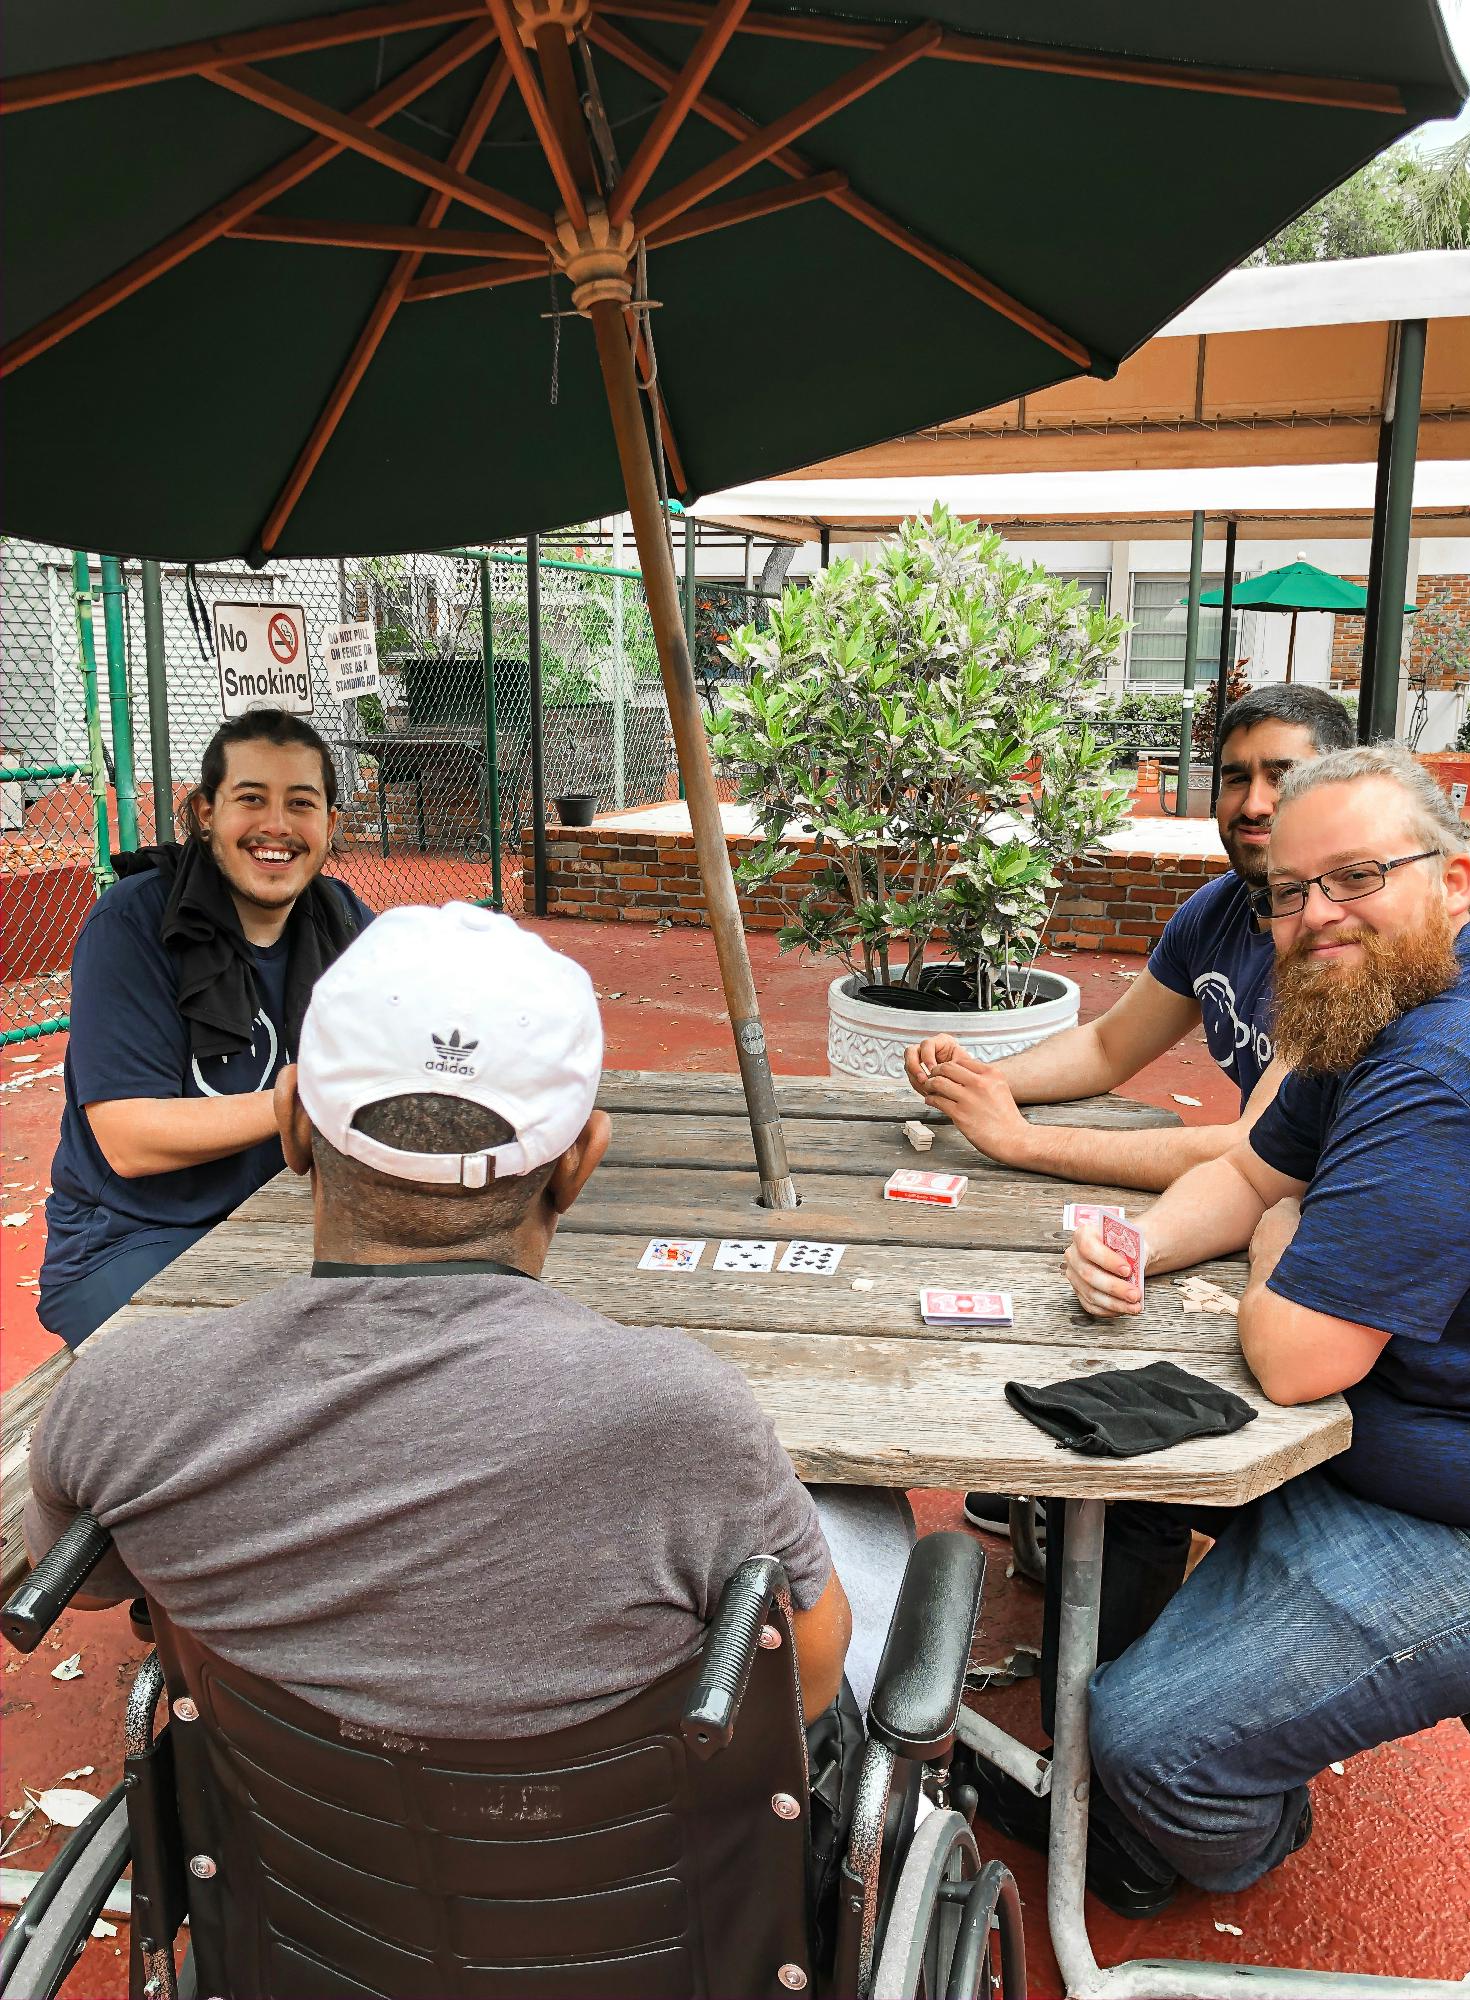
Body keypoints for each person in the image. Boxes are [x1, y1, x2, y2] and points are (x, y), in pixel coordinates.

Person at [26, 904, 911, 1749]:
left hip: (291, 1880)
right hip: (630, 1884)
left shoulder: (116, 1396)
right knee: (867, 1515)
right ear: (580, 1160)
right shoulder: (689, 1419)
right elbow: (809, 1684)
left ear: (294, 1126)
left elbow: (94, 1586)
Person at [1059, 746, 1470, 1900]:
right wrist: (1139, 1245)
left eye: (1357, 876)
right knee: (1094, 1463)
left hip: (1466, 1520)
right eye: (1292, 891)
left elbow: (1299, 1355)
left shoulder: (1450, 1062)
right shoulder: (1391, 989)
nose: (1315, 916)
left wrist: (1279, 1247)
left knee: (1149, 1745)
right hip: (1391, 1441)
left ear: (1457, 879)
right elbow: (1256, 1170)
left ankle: (1242, 1828)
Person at [904, 682, 1355, 1536]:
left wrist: (1023, 1141)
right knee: (1073, 1286)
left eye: (1283, 776)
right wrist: (984, 1075)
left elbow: (1247, 1147)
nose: (1255, 803)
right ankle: (1082, 1508)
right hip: (1262, 1199)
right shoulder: (1224, 909)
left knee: (1135, 1346)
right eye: (1235, 777)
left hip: (1325, 1242)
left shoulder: (1332, 937)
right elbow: (1112, 1046)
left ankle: (1124, 1523)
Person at [38, 708, 371, 1349]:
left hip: (288, 1219)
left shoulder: (345, 922)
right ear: (205, 812)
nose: (276, 826)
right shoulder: (133, 926)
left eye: (300, 803)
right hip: (133, 1237)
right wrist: (313, 1098)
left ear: (330, 824)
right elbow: (129, 1139)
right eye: (251, 798)